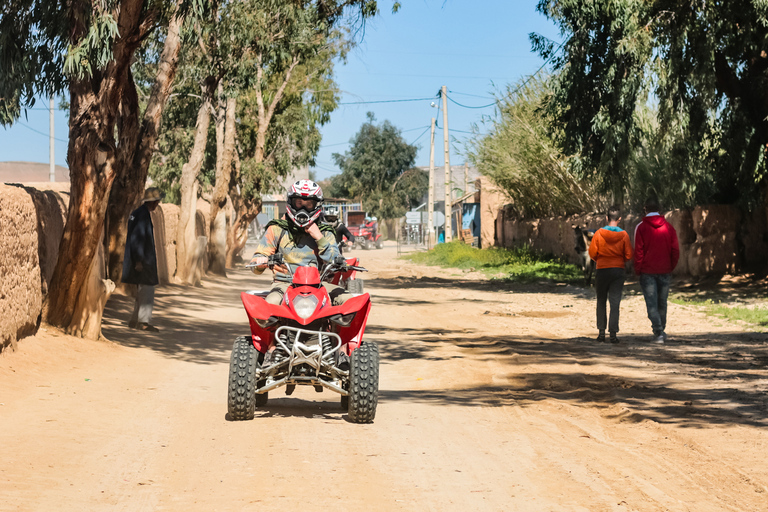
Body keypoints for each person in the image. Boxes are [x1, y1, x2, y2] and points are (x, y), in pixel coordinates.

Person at [248, 180, 350, 307]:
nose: (303, 209)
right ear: (291, 203)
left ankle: (334, 328)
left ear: (317, 205)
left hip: (319, 285)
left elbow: (335, 262)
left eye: (309, 205)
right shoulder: (277, 228)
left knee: (350, 302)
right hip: (284, 285)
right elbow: (256, 266)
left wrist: (319, 237)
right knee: (269, 306)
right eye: (299, 203)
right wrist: (260, 261)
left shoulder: (325, 232)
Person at [634, 196, 680, 344]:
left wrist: (638, 269)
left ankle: (659, 331)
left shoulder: (640, 227)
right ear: (659, 210)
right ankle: (661, 329)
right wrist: (670, 266)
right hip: (665, 270)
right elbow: (675, 250)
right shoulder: (669, 228)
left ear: (645, 209)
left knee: (651, 303)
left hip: (647, 272)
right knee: (662, 302)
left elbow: (638, 251)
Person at [588, 206, 632, 344]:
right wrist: (619, 260)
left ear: (606, 218)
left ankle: (601, 333)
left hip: (602, 269)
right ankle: (613, 334)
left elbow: (592, 253)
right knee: (615, 302)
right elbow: (629, 254)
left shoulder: (599, 234)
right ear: (619, 219)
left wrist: (601, 260)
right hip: (618, 270)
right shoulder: (624, 235)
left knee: (601, 300)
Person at [122, 187, 163, 332]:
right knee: (147, 291)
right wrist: (139, 260)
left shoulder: (136, 213)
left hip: (139, 260)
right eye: (157, 202)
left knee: (141, 292)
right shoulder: (142, 215)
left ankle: (135, 319)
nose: (157, 204)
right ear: (153, 202)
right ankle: (143, 322)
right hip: (144, 262)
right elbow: (138, 239)